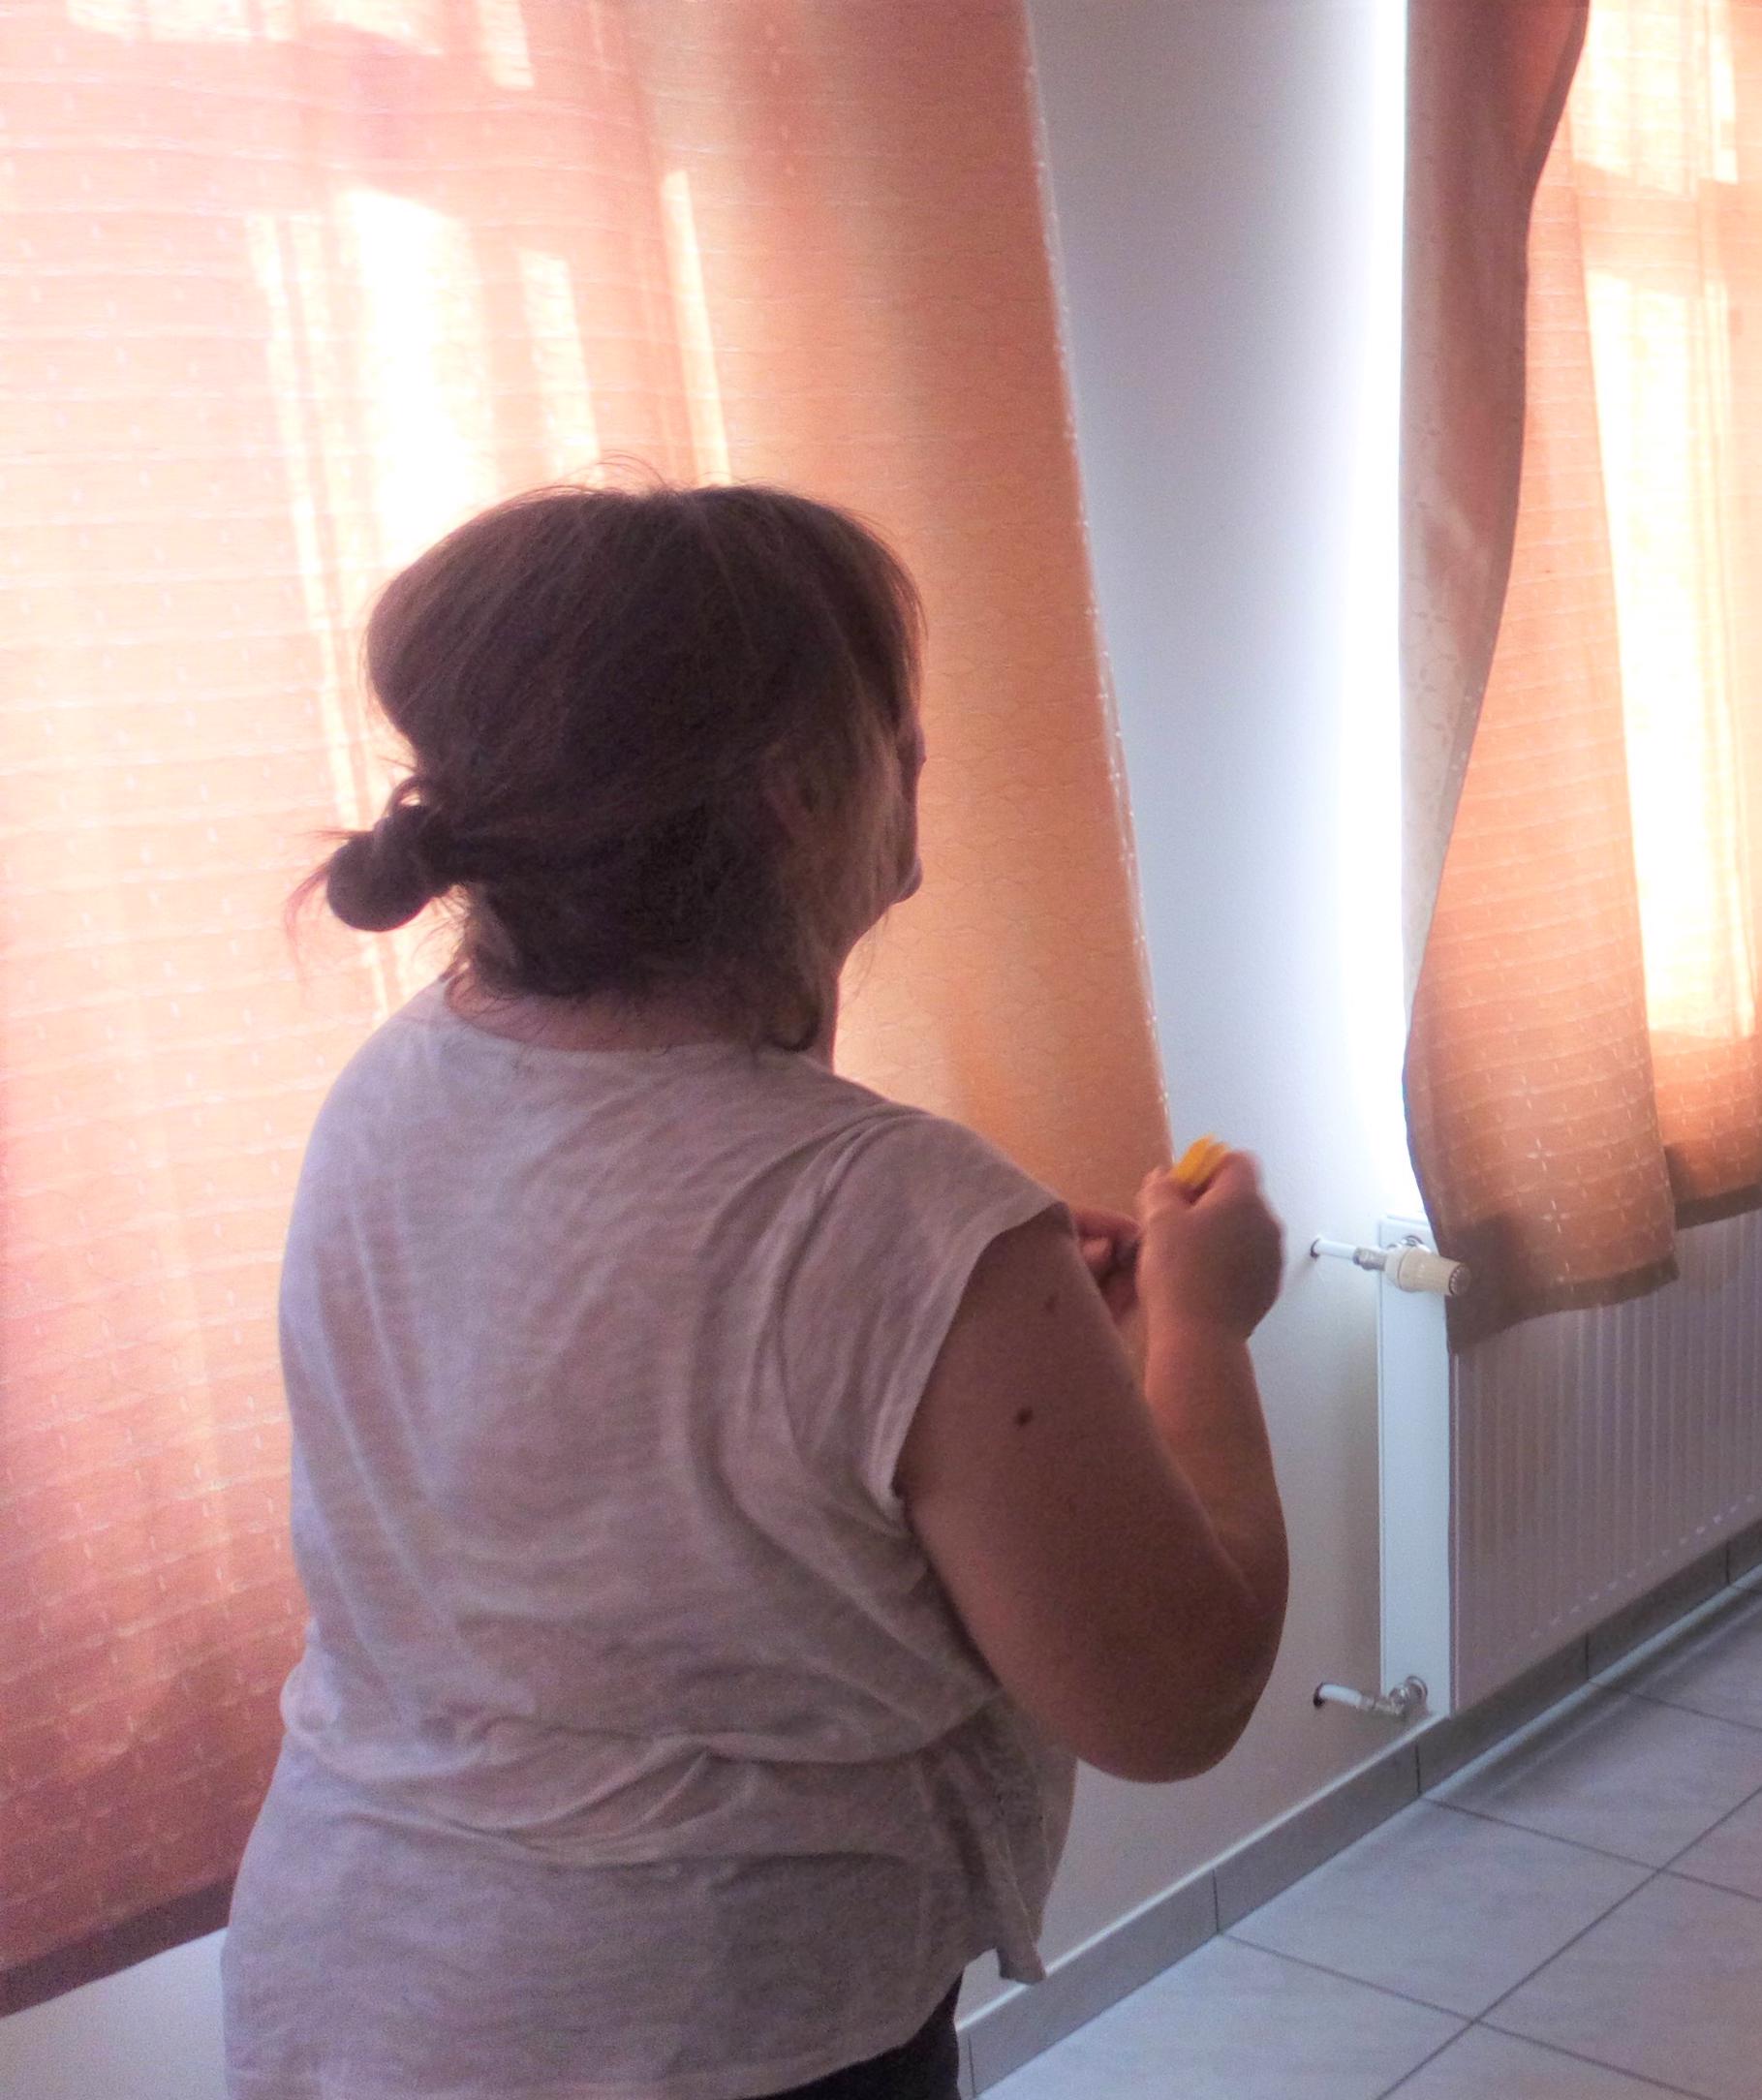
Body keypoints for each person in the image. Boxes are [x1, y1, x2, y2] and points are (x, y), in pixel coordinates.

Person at [224, 483, 1290, 2100]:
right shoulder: (898, 1216)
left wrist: (965, 1363)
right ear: (799, 792)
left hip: (355, 1991)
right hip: (707, 2038)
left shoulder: (396, 1083)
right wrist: (1202, 1326)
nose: (920, 752)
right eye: (895, 721)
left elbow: (651, 1478)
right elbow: (1175, 1697)